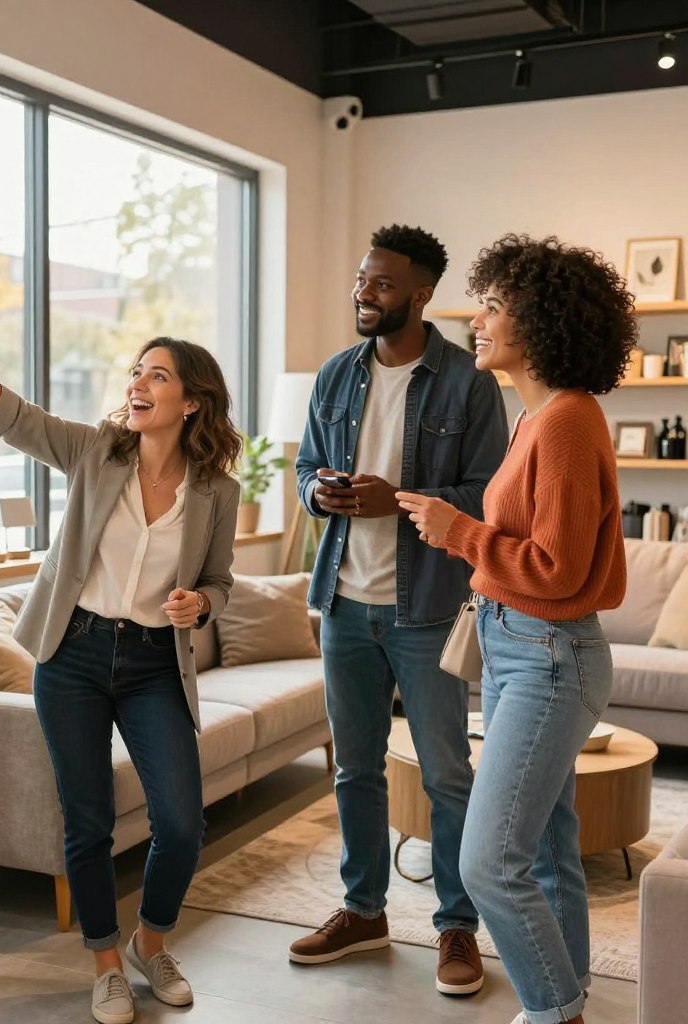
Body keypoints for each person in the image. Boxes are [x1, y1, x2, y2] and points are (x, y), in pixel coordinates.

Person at [0, 305, 241, 1024]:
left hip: (153, 665)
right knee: (88, 819)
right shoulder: (96, 451)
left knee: (180, 821)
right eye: (136, 371)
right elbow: (9, 414)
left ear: (192, 401)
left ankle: (149, 944)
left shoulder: (216, 492)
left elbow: (221, 580)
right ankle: (105, 964)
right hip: (72, 656)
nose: (138, 384)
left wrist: (201, 603)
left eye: (157, 376)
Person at [398, 234, 634, 1024]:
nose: (477, 320)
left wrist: (459, 530)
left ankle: (553, 1011)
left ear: (538, 323)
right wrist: (461, 534)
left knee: (490, 862)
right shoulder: (536, 414)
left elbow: (559, 570)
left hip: (548, 655)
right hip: (517, 647)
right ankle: (568, 996)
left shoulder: (565, 420)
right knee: (546, 849)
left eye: (494, 306)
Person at [289, 224, 508, 995]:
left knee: (447, 775)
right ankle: (363, 912)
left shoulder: (468, 383)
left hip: (428, 611)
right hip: (343, 604)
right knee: (355, 769)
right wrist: (317, 492)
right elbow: (304, 465)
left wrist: (401, 501)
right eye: (361, 279)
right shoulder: (335, 375)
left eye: (380, 284)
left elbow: (489, 494)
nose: (363, 293)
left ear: (421, 294)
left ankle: (457, 927)